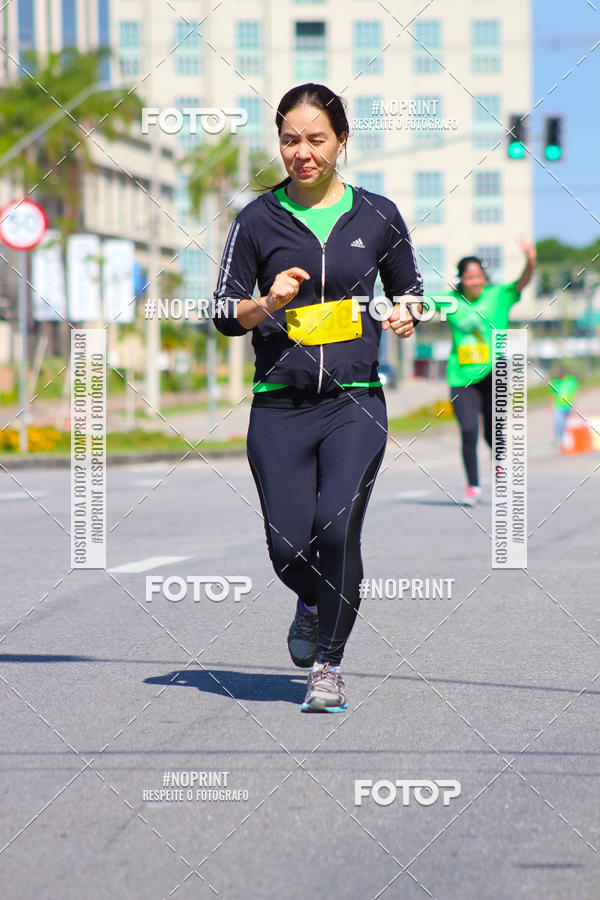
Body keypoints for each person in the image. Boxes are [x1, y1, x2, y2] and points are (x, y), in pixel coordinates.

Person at [212, 83, 423, 712]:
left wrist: (409, 314)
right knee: (287, 549)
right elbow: (224, 312)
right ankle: (312, 599)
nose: (302, 152)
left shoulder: (378, 214)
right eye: (289, 140)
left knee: (337, 529)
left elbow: (412, 289)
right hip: (279, 405)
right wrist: (269, 302)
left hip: (354, 402)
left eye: (315, 139)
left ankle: (327, 667)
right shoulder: (257, 219)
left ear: (341, 141)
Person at [430, 241, 536, 505]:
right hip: (460, 376)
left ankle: (500, 467)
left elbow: (521, 283)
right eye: (469, 277)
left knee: (493, 431)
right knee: (468, 430)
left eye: (478, 276)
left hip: (494, 372)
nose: (475, 281)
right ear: (461, 279)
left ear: (484, 277)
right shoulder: (450, 302)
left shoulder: (499, 295)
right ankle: (473, 486)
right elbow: (419, 303)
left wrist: (530, 262)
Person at [550, 366, 579, 445]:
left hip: (569, 405)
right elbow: (553, 394)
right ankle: (558, 438)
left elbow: (575, 392)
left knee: (569, 423)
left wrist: (574, 406)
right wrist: (550, 405)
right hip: (559, 405)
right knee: (559, 422)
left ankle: (568, 438)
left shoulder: (570, 380)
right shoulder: (556, 382)